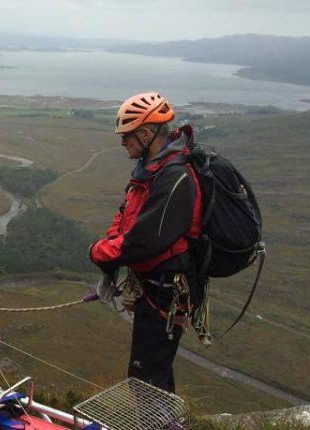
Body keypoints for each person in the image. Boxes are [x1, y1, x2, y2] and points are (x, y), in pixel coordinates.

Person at [88, 92, 204, 393]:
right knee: (151, 371)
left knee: (147, 376)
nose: (123, 143)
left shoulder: (173, 176)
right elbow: (126, 213)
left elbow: (142, 243)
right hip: (156, 288)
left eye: (127, 136)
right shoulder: (152, 170)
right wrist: (110, 246)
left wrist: (99, 253)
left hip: (165, 291)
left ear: (145, 133)